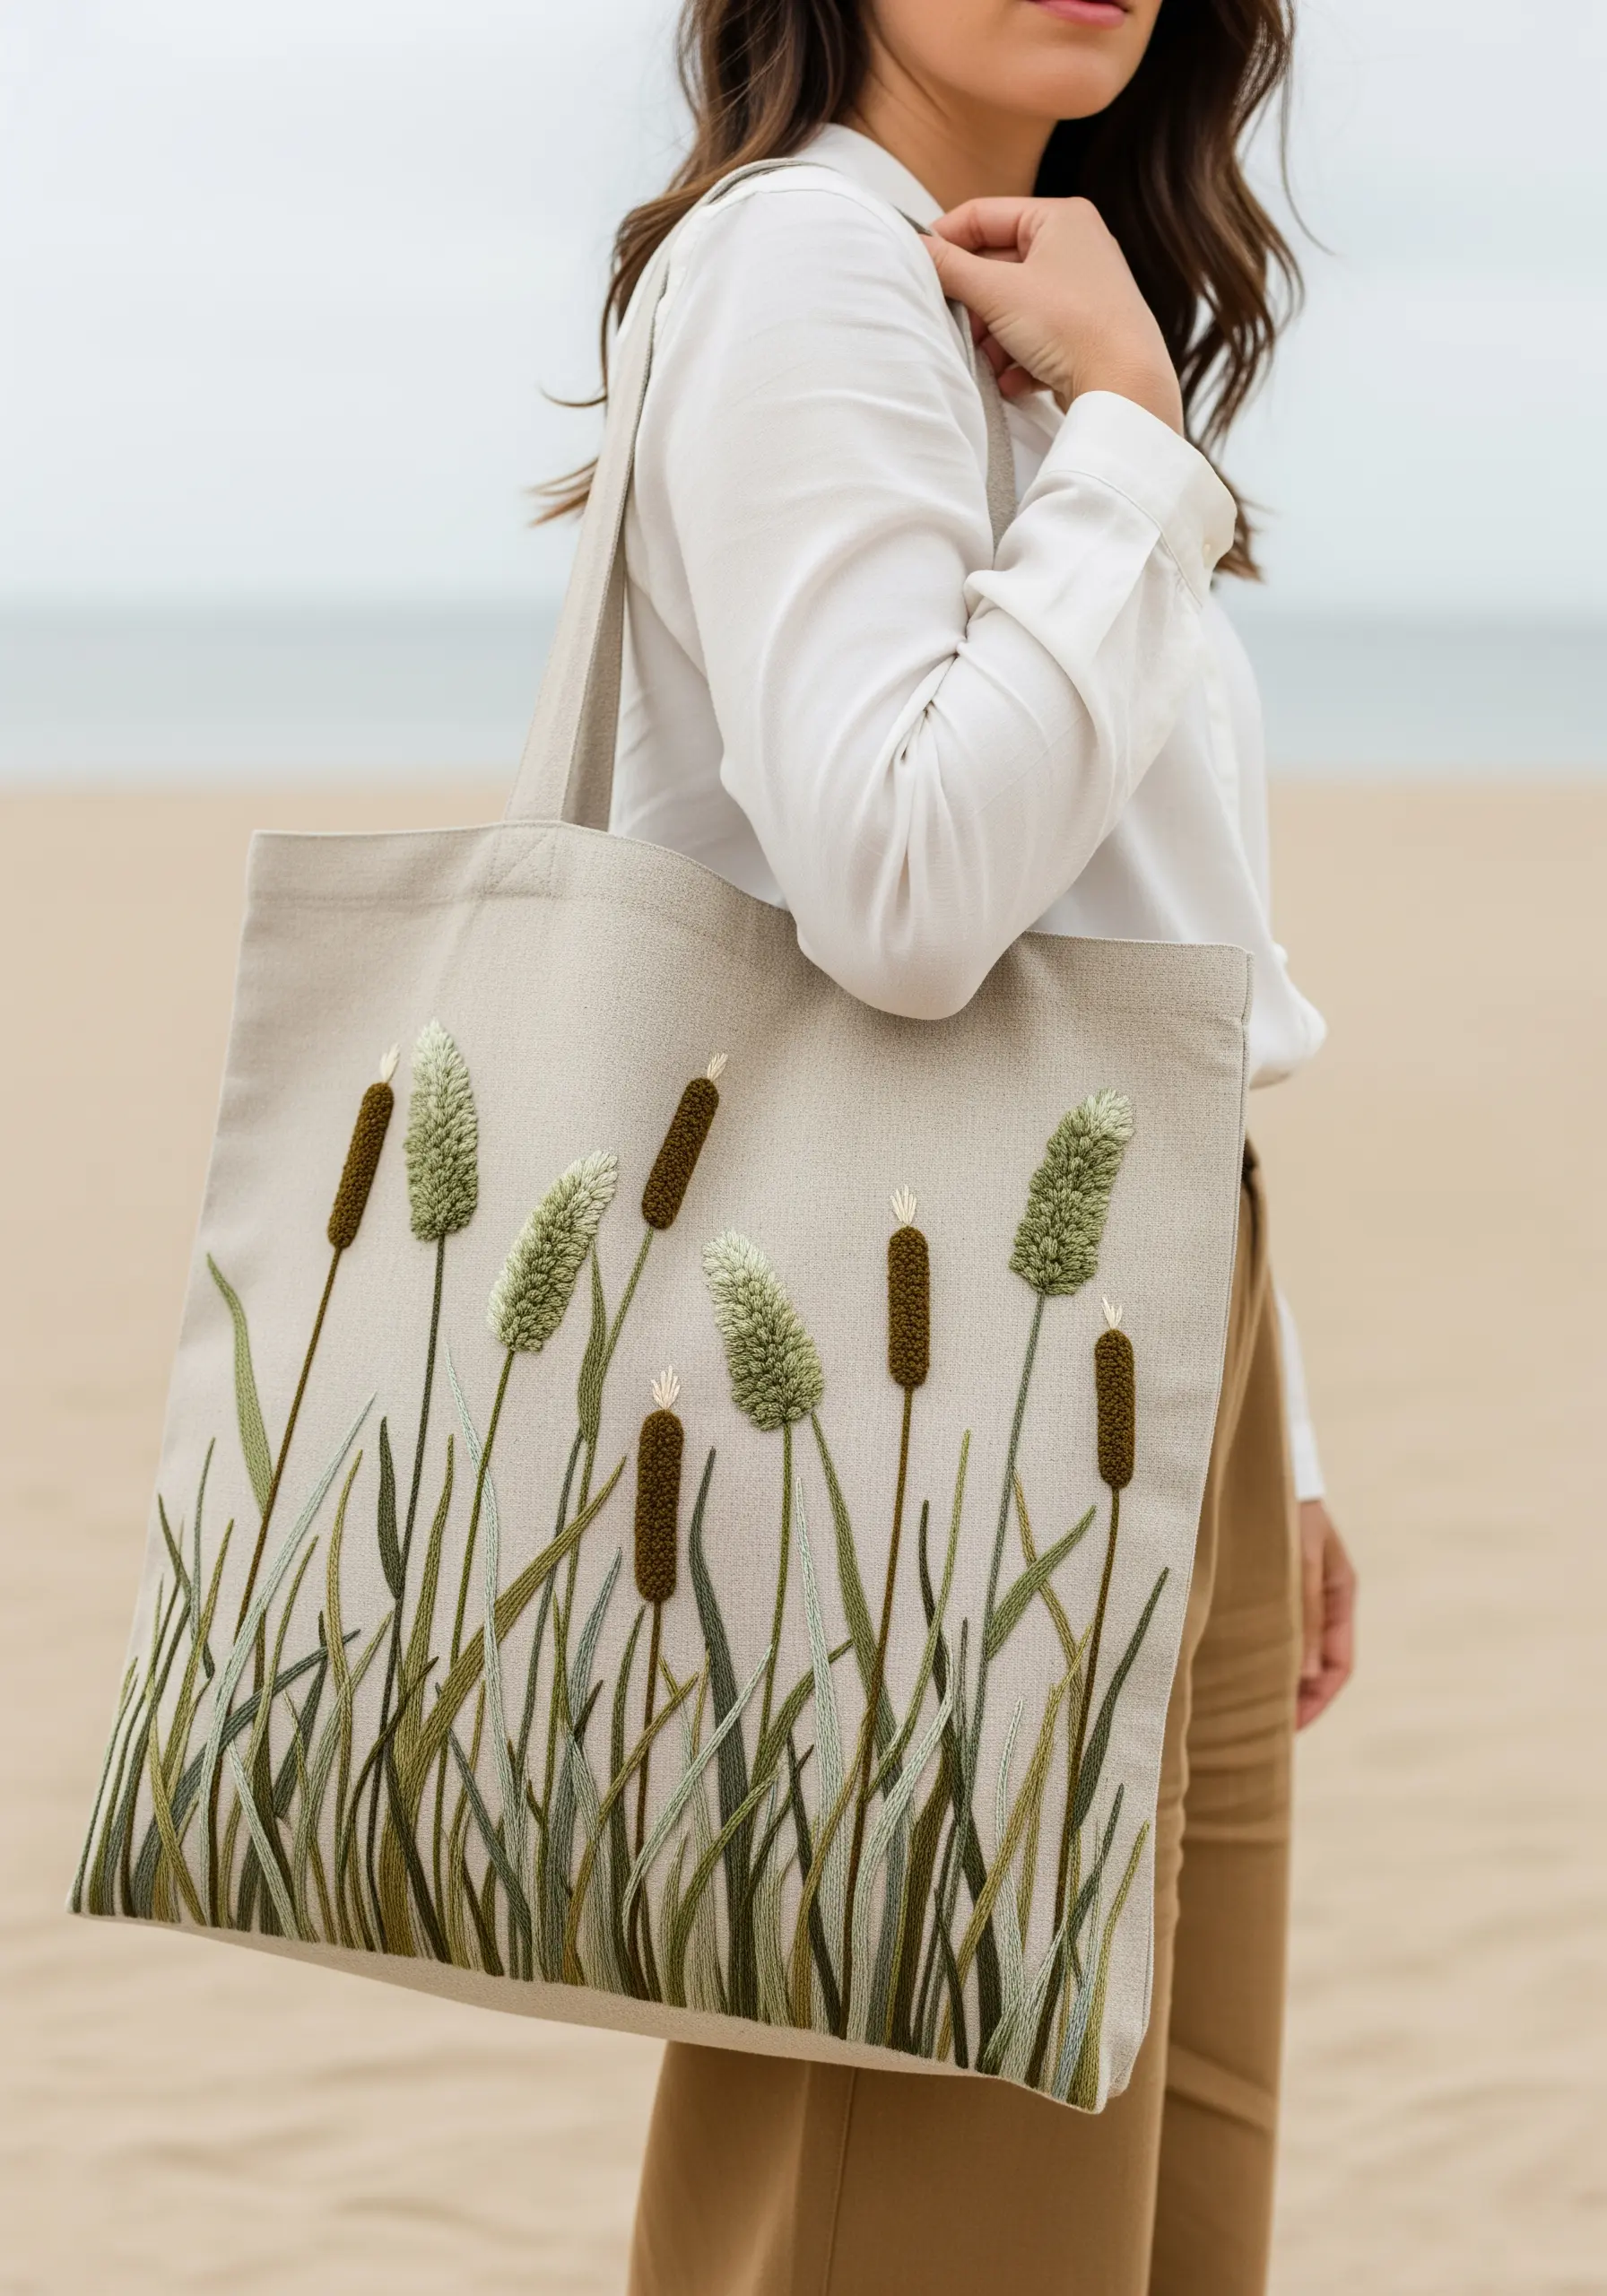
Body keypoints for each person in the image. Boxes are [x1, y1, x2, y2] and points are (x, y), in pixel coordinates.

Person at [543, 2, 1357, 2287]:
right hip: (925, 1344)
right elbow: (902, 888)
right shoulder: (811, 263)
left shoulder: (1023, 289)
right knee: (928, 2196)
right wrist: (1130, 440)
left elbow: (1152, 930)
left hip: (1137, 1319)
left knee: (1143, 2201)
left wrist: (1278, 1433)